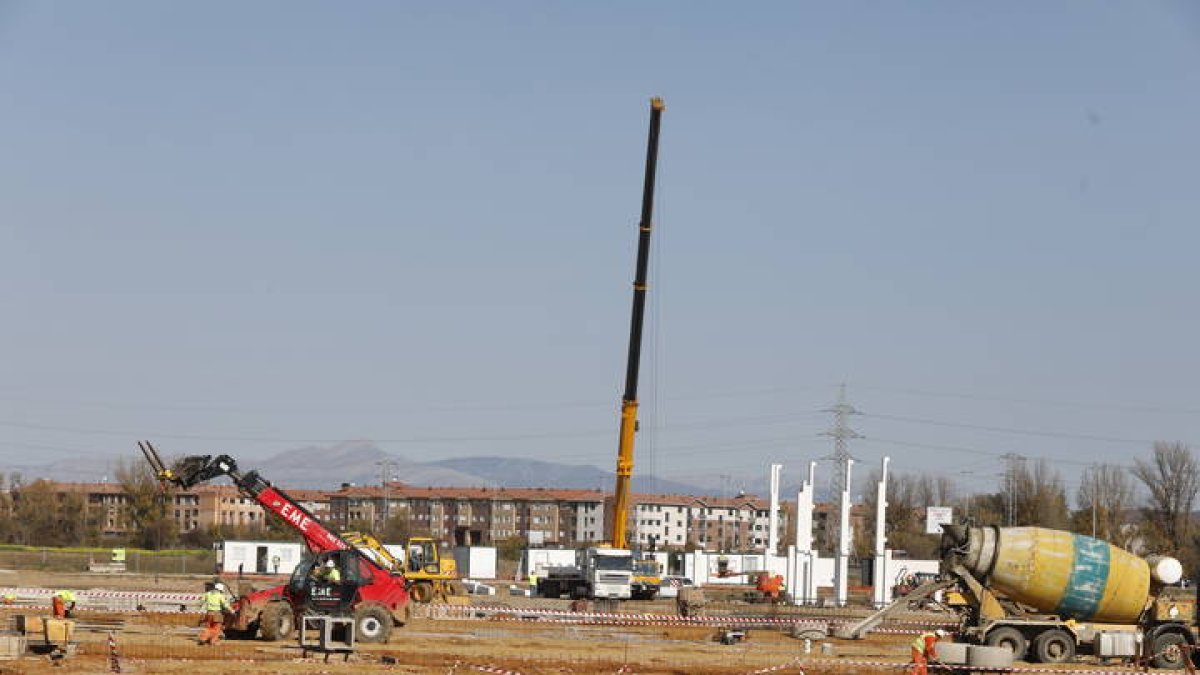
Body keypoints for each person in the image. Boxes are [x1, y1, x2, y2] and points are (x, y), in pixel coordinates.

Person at [197, 582, 231, 646]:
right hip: (217, 614)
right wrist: (232, 611)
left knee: (209, 627)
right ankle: (212, 641)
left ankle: (204, 638)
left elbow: (201, 602)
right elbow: (225, 605)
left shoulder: (207, 594)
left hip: (209, 613)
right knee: (216, 628)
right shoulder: (220, 595)